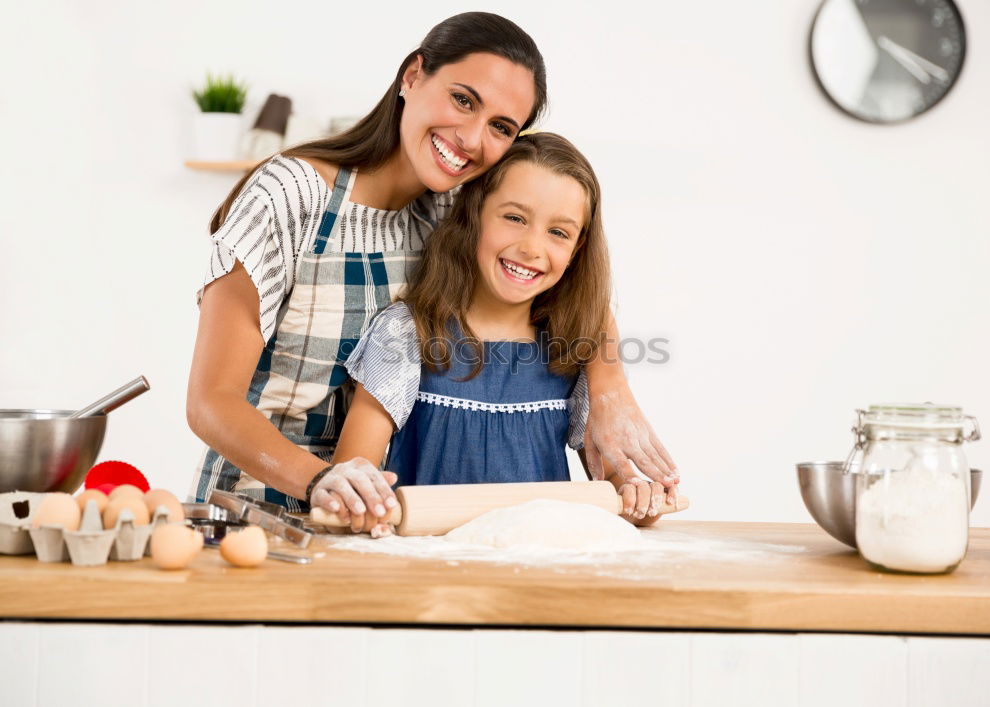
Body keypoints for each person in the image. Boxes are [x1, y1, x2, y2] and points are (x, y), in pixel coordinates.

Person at [186, 12, 677, 515]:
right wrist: (323, 480)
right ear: (413, 76)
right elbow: (211, 403)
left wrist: (611, 386)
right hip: (254, 514)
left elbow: (570, 279)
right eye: (463, 100)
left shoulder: (456, 208)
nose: (469, 137)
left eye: (500, 127)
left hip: (370, 522)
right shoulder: (291, 196)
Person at [316, 133, 680, 536]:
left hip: (537, 571)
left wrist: (638, 498)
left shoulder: (571, 350)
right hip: (428, 573)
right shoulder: (407, 332)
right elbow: (354, 471)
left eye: (558, 232)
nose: (531, 247)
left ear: (576, 250)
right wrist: (361, 502)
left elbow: (615, 487)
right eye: (514, 218)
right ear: (474, 214)